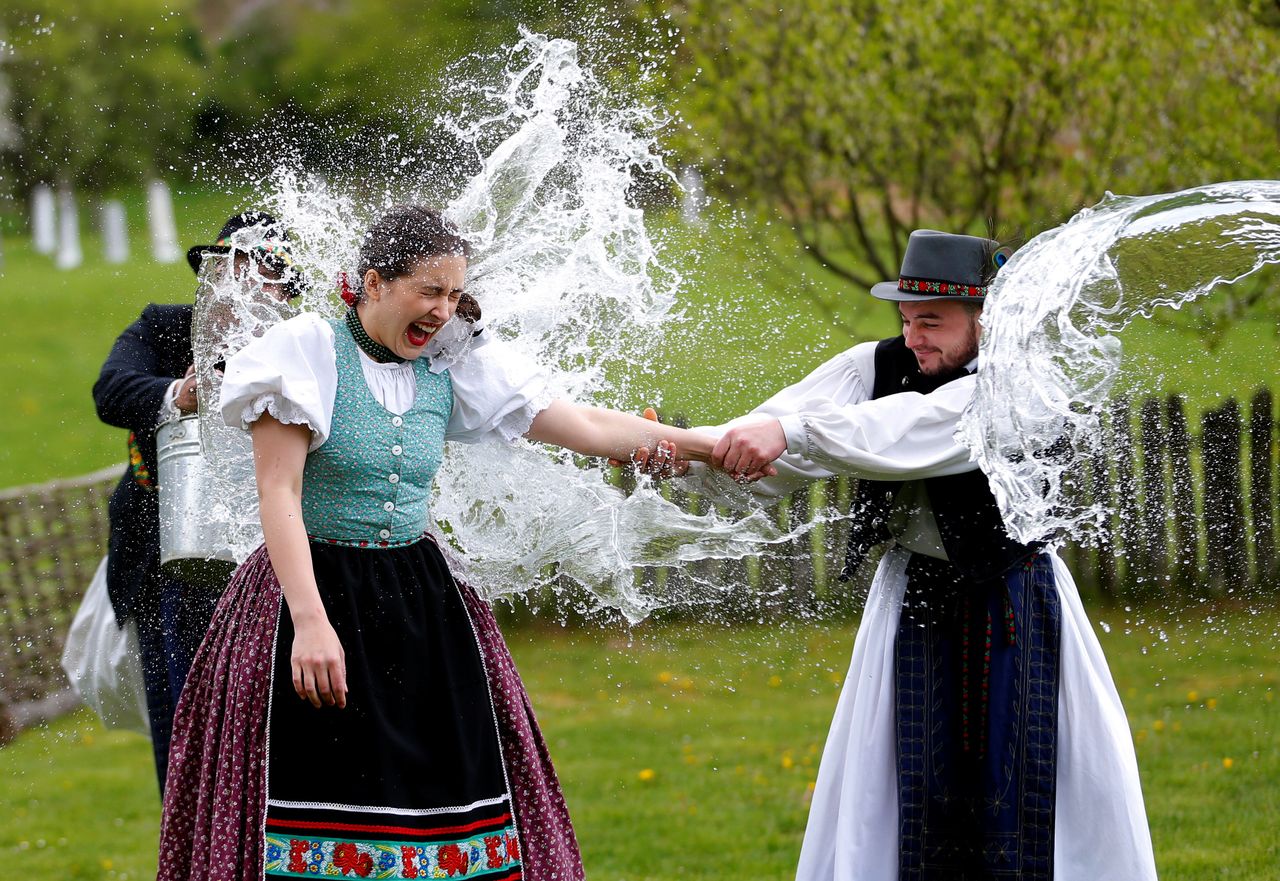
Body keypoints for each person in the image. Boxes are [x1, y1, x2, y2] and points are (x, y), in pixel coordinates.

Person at [157, 205, 724, 881]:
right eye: (429, 291)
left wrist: (708, 448)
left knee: (449, 811)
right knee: (318, 800)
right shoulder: (306, 351)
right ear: (372, 282)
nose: (444, 310)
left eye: (455, 294)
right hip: (308, 599)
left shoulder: (451, 366)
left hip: (421, 607)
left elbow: (587, 424)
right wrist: (310, 621)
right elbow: (278, 493)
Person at [652, 229, 1157, 880]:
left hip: (1016, 609)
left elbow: (908, 432)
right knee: (895, 793)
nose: (915, 336)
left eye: (933, 322)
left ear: (986, 319)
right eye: (908, 319)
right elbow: (779, 437)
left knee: (1024, 791)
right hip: (912, 601)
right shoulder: (875, 366)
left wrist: (792, 431)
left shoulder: (1021, 382)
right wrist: (682, 457)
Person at [92, 210, 301, 789]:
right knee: (184, 736)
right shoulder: (165, 328)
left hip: (269, 567)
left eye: (266, 274)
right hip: (165, 567)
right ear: (212, 274)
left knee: (267, 742)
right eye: (234, 267)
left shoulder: (297, 349)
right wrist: (182, 392)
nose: (247, 284)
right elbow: (110, 392)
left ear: (286, 291)